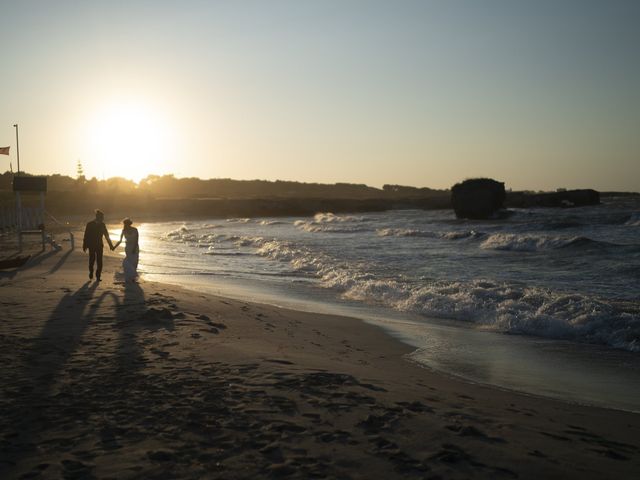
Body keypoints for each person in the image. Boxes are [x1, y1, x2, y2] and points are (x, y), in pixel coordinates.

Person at [82, 209, 114, 281]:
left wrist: (110, 245)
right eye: (102, 217)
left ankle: (98, 276)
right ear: (98, 217)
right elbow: (86, 235)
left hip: (99, 245)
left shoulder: (102, 225)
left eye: (103, 218)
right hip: (91, 245)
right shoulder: (90, 224)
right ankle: (91, 272)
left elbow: (106, 235)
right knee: (92, 260)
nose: (103, 219)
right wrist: (85, 245)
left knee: (100, 261)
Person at [113, 218, 139, 282]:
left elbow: (136, 240)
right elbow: (120, 240)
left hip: (135, 247)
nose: (126, 225)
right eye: (125, 224)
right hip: (128, 247)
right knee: (129, 261)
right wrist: (114, 247)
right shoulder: (123, 230)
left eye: (127, 224)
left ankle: (133, 277)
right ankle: (129, 276)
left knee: (135, 262)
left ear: (129, 224)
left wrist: (134, 248)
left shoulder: (135, 229)